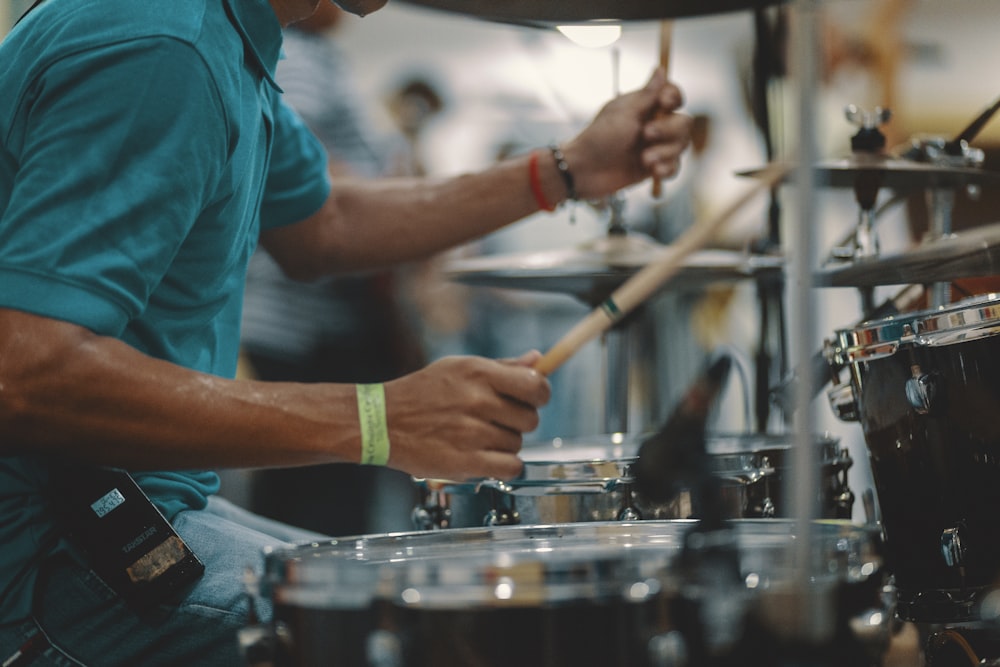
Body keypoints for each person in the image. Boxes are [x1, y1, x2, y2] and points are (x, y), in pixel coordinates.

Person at [0, 0, 692, 665]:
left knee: (440, 589)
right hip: (43, 560)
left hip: (113, 511)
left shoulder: (225, 35)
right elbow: (29, 373)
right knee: (453, 630)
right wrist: (377, 417)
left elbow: (324, 222)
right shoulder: (164, 46)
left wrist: (566, 170)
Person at [240, 2, 422, 536]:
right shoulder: (297, 56)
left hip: (320, 317)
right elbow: (309, 171)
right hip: (301, 321)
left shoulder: (316, 56)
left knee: (317, 496)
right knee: (324, 503)